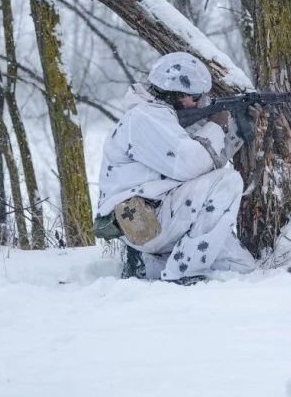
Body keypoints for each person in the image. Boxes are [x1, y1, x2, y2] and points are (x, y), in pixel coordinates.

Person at [96, 52, 255, 284]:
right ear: (177, 95)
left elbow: (208, 161)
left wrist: (238, 128)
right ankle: (182, 275)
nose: (201, 103)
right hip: (144, 220)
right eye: (196, 97)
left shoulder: (166, 118)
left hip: (167, 215)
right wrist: (216, 124)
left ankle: (148, 264)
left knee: (241, 266)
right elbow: (192, 165)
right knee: (229, 181)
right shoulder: (144, 118)